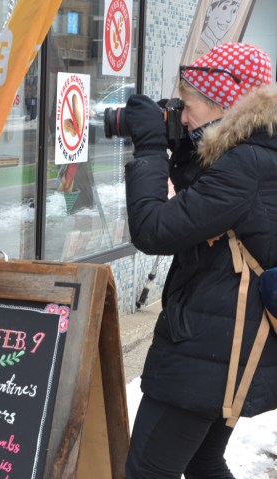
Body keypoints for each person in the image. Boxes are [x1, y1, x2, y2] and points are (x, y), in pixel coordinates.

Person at [123, 42, 277, 478]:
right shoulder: (259, 153)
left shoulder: (244, 165)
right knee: (203, 461)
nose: (183, 117)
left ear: (223, 105)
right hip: (234, 342)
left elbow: (154, 229)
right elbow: (210, 208)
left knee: (148, 470)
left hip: (209, 351)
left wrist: (151, 146)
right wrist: (187, 146)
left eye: (188, 107)